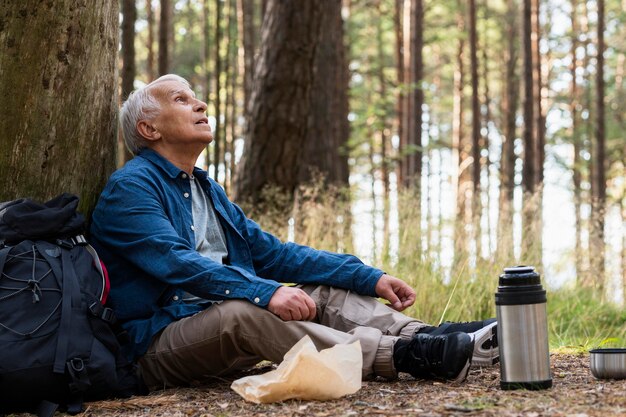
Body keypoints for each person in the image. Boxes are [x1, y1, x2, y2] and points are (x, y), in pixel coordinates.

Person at [90, 74, 498, 391]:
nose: (200, 104)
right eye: (180, 100)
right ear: (149, 129)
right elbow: (178, 263)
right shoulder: (130, 189)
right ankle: (407, 355)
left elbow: (276, 255)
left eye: (194, 96)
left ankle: (436, 338)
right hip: (155, 346)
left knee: (322, 293)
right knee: (244, 311)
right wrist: (266, 292)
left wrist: (368, 277)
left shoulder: (204, 187)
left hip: (214, 329)